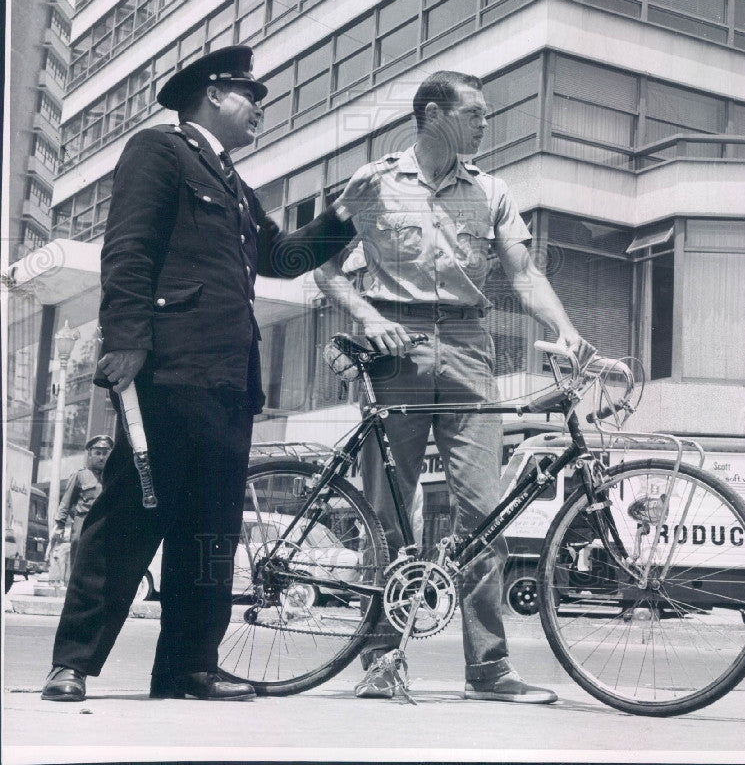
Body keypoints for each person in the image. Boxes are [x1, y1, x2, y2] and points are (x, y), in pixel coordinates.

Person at [42, 45, 359, 703]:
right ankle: (72, 662)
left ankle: (189, 667)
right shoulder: (159, 151)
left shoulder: (233, 184)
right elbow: (128, 247)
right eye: (253, 96)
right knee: (131, 514)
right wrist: (126, 339)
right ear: (213, 93)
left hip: (226, 379)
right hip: (169, 369)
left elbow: (281, 255)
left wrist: (343, 217)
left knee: (210, 529)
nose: (261, 109)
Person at [314, 70, 593, 703]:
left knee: (484, 512)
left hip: (470, 347)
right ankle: (382, 660)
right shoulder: (373, 183)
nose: (486, 124)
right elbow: (324, 269)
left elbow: (522, 273)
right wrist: (370, 319)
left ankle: (488, 670)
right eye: (476, 113)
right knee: (387, 511)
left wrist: (566, 327)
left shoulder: (490, 190)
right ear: (435, 115)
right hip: (394, 350)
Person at [50, 436, 113, 573]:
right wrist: (59, 525)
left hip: (104, 521)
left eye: (105, 453)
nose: (102, 457)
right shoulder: (80, 475)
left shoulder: (112, 477)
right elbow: (66, 501)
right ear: (90, 454)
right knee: (78, 548)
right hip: (82, 521)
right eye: (97, 453)